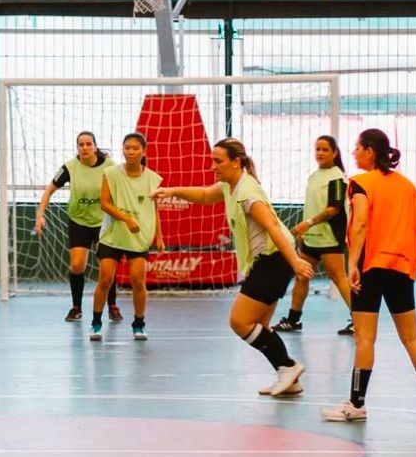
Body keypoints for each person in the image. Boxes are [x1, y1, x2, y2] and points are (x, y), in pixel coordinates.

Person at [153, 138, 314, 395]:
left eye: (218, 161)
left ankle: (288, 366)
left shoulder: (248, 194)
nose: (213, 166)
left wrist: (295, 261)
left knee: (240, 322)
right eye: (212, 161)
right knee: (260, 325)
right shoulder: (230, 186)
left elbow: (273, 226)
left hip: (275, 260)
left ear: (236, 162)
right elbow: (205, 196)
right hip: (270, 262)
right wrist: (172, 191)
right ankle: (289, 379)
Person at [321, 129, 416, 422]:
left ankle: (356, 404)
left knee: (365, 338)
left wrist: (352, 264)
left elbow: (361, 225)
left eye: (357, 148)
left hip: (371, 268)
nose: (354, 153)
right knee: (412, 337)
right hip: (401, 269)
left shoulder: (361, 183)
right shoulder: (408, 187)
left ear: (370, 152)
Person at [34, 131, 122, 322]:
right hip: (79, 220)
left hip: (104, 221)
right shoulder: (70, 167)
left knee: (106, 266)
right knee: (76, 265)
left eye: (88, 144)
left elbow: (123, 188)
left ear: (95, 147)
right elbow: (49, 190)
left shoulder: (110, 166)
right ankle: (76, 307)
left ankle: (113, 306)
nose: (85, 147)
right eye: (81, 144)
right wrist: (40, 215)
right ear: (77, 148)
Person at [272, 135, 355, 336]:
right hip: (311, 238)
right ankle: (293, 320)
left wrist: (308, 223)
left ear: (335, 153)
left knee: (339, 278)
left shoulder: (338, 177)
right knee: (302, 276)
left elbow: (334, 209)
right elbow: (311, 205)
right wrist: (305, 232)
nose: (320, 153)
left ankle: (359, 320)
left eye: (325, 149)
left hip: (329, 238)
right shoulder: (314, 176)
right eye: (317, 149)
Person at [90, 133, 165, 341]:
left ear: (144, 151)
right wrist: (127, 219)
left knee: (138, 281)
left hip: (138, 237)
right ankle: (96, 323)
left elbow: (154, 208)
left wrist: (159, 236)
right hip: (112, 235)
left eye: (135, 148)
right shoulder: (111, 173)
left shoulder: (152, 178)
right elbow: (104, 203)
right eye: (127, 148)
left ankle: (139, 324)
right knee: (105, 279)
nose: (130, 152)